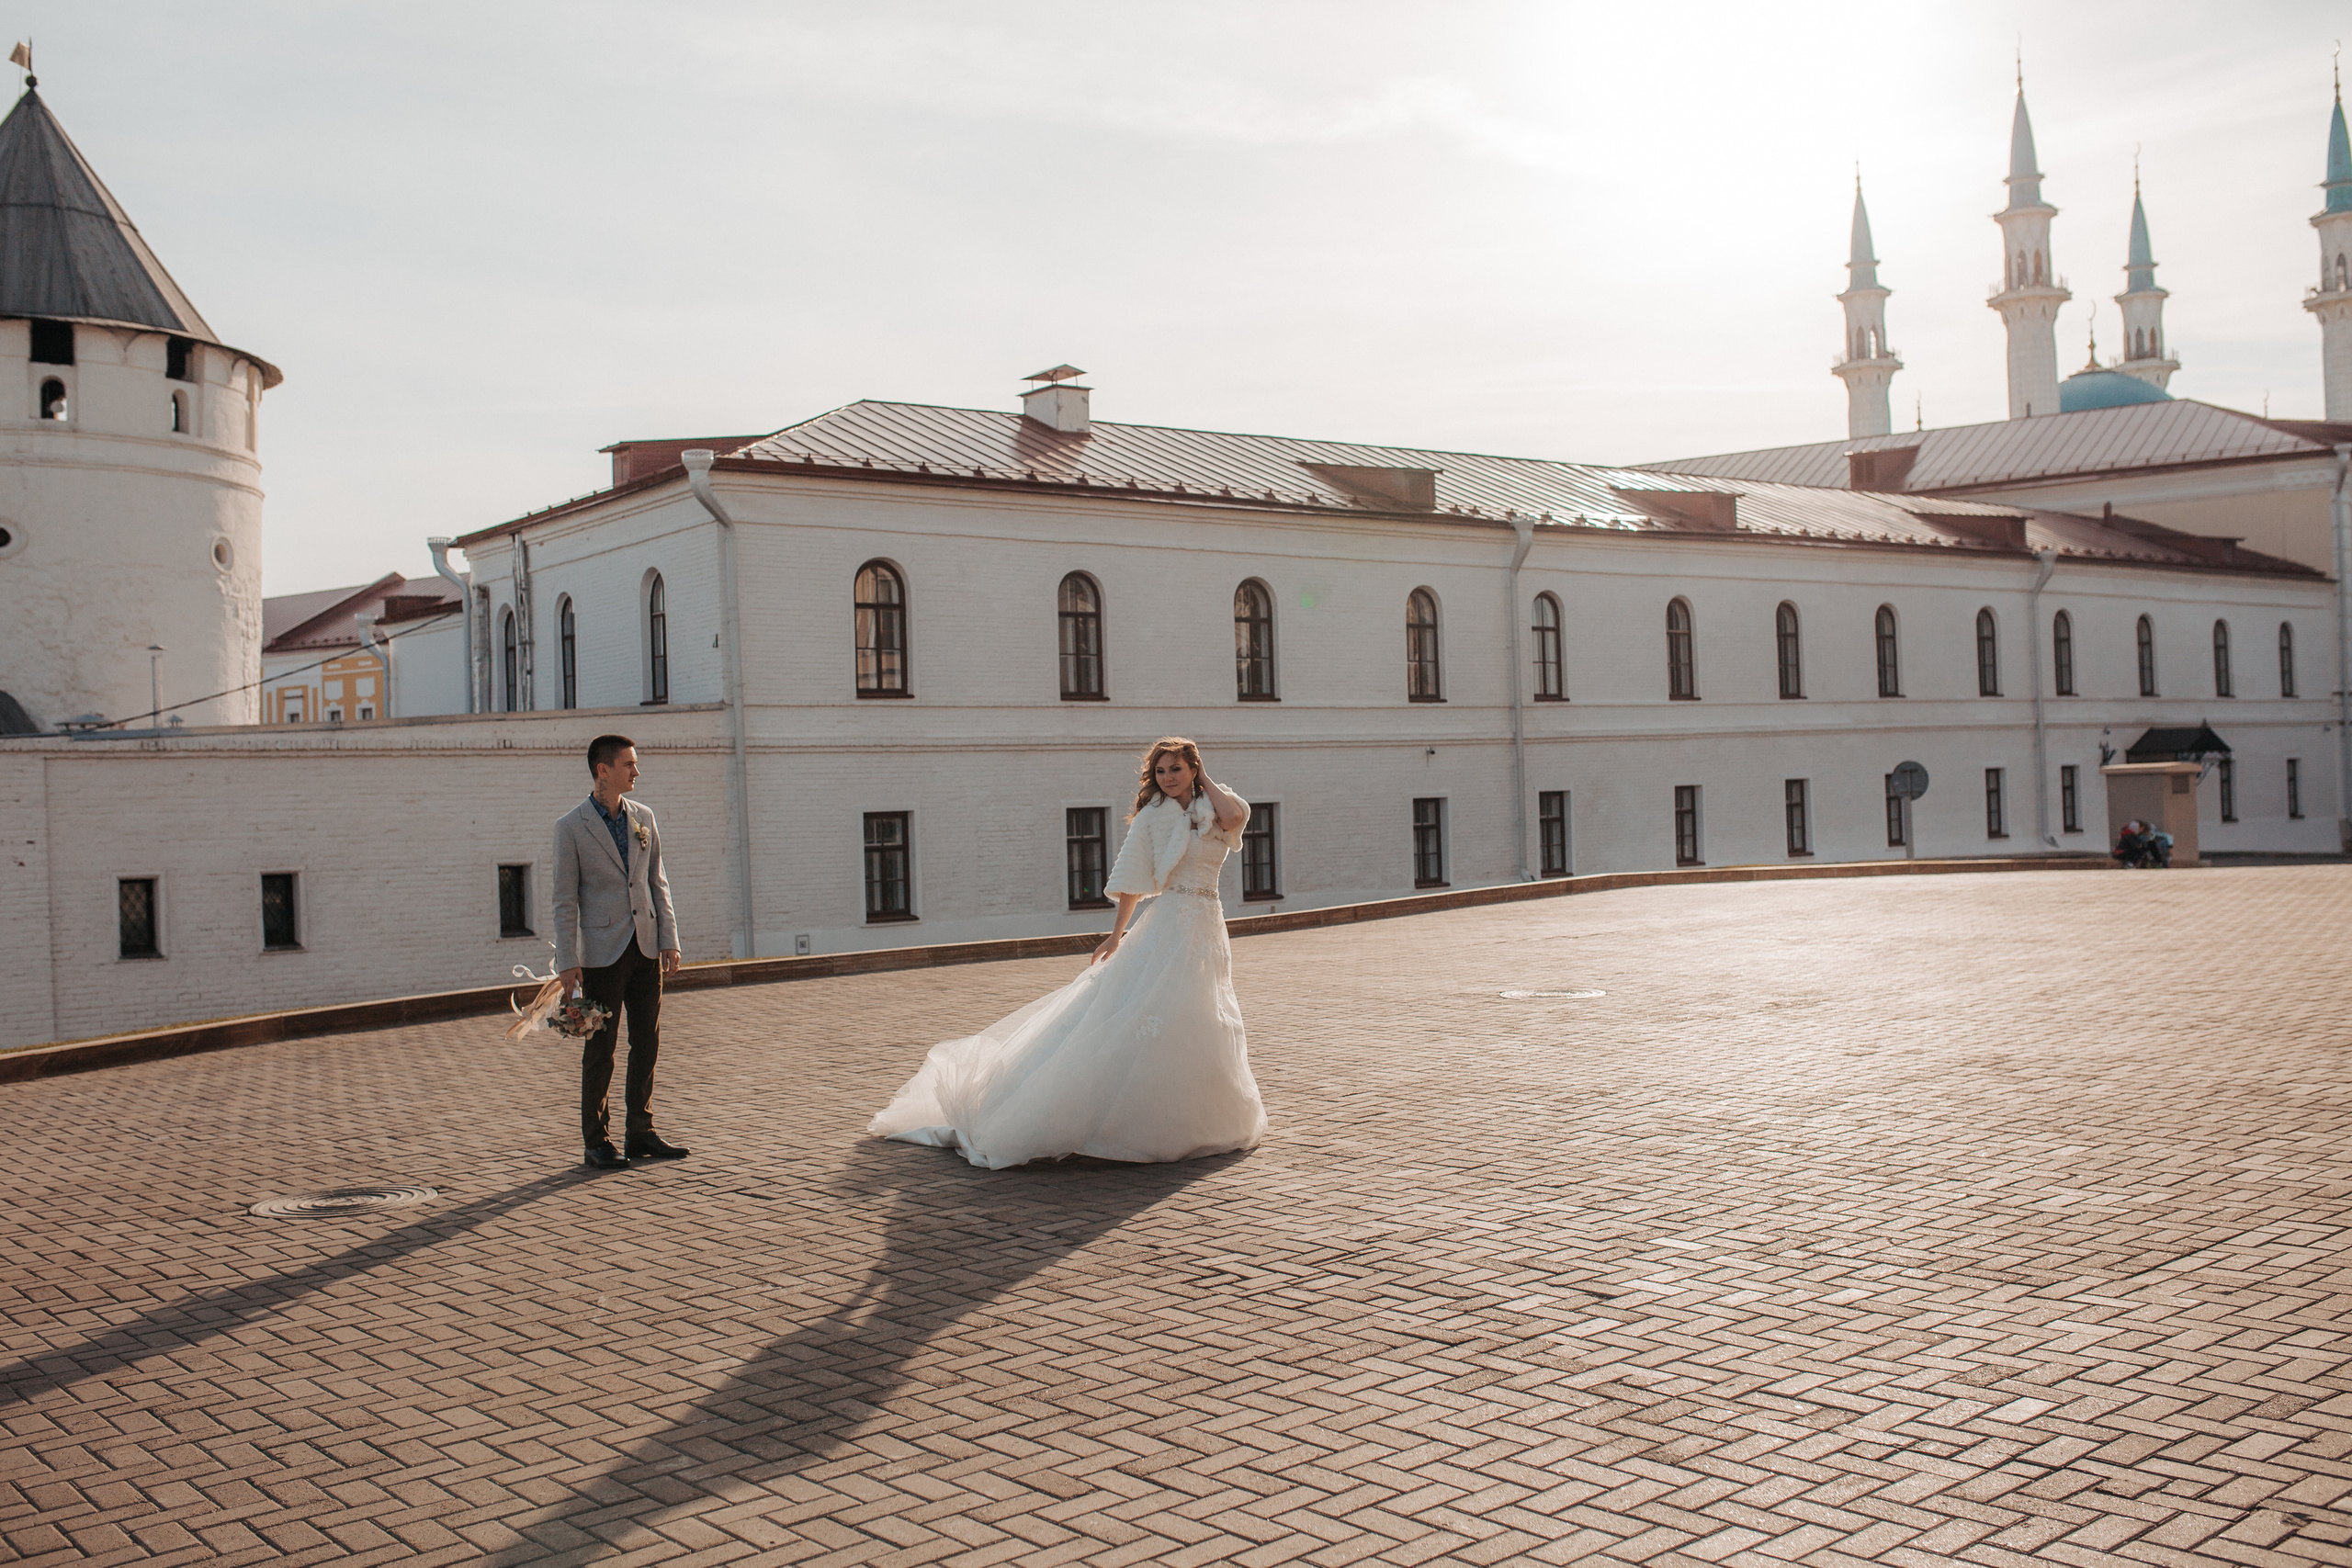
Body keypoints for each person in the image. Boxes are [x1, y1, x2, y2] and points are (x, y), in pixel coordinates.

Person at [869, 737, 1268, 1168]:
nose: (1167, 778)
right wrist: (1115, 937)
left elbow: (1235, 818)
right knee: (1152, 1009)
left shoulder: (1217, 805)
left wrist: (1205, 780)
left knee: (1202, 1010)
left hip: (1209, 923)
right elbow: (1132, 880)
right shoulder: (1151, 819)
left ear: (1193, 768)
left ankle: (1198, 1113)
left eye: (1176, 769)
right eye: (1160, 771)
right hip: (1170, 922)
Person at [553, 734, 687, 1168]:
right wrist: (567, 962)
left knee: (646, 1041)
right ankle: (597, 1141)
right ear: (602, 770)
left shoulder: (643, 817)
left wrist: (669, 939)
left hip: (646, 947)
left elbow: (657, 882)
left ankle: (641, 1132)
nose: (636, 772)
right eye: (629, 764)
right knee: (601, 1049)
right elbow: (563, 899)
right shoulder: (570, 828)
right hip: (601, 954)